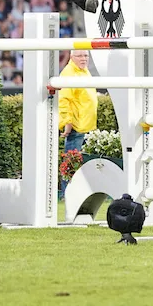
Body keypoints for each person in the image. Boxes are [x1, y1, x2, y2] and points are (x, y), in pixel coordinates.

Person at [57, 50, 98, 197]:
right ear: (71, 57)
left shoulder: (83, 71)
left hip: (85, 125)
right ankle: (66, 194)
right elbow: (63, 100)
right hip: (76, 126)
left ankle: (75, 193)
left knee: (76, 162)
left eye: (86, 55)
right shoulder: (69, 74)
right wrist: (67, 122)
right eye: (80, 56)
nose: (84, 59)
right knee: (71, 162)